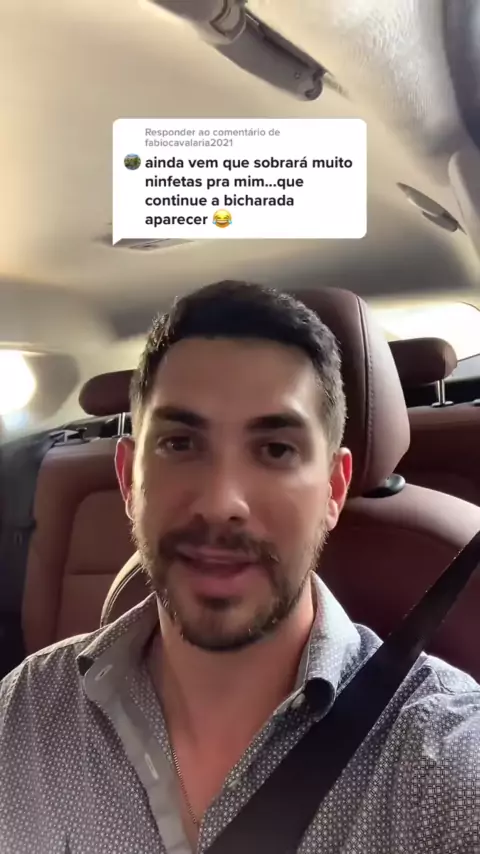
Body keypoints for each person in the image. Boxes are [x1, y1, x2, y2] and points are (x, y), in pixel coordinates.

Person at [0, 281, 479, 854]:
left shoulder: (443, 760)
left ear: (333, 489)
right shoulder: (28, 710)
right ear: (128, 480)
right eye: (180, 444)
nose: (221, 502)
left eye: (276, 450)